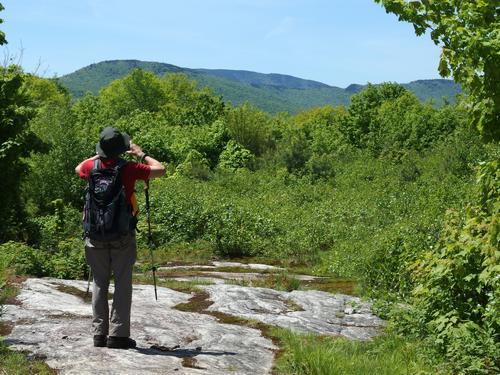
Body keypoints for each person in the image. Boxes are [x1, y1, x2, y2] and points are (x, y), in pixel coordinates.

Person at [75, 127, 165, 349]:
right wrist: (139, 152)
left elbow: (78, 167)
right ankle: (118, 335)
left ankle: (99, 335)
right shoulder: (129, 169)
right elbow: (160, 170)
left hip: (95, 236)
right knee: (123, 282)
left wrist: (99, 156)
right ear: (122, 150)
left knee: (99, 281)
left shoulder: (90, 167)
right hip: (122, 235)